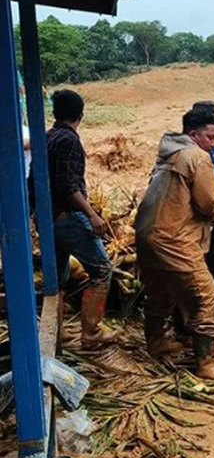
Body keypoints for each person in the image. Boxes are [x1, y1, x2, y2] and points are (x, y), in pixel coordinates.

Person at [135, 111, 214, 380]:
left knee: (160, 290)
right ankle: (206, 363)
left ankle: (155, 342)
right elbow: (207, 203)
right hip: (174, 237)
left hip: (147, 234)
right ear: (194, 135)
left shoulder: (167, 154)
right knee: (205, 295)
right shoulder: (197, 157)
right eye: (210, 137)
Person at [42, 90, 116, 349]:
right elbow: (67, 184)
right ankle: (92, 332)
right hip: (68, 219)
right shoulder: (69, 140)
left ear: (55, 113)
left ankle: (58, 332)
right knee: (102, 269)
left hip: (49, 218)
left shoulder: (49, 137)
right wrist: (91, 214)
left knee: (58, 278)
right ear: (81, 115)